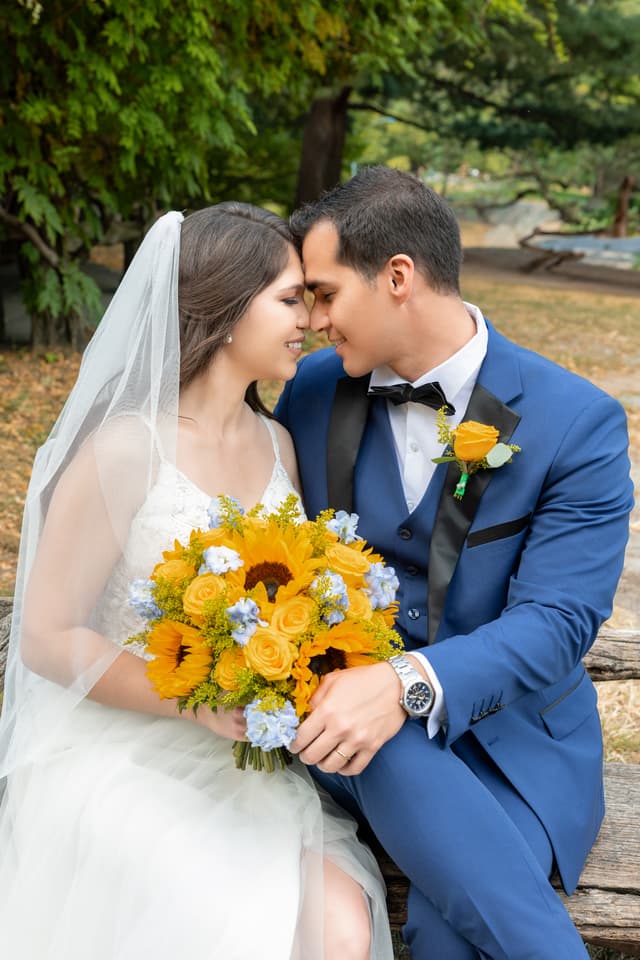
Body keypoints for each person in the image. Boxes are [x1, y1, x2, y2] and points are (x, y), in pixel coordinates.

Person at [0, 204, 394, 960]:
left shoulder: (278, 443)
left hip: (247, 764)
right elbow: (48, 639)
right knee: (234, 925)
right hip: (121, 757)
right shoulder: (123, 451)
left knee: (342, 927)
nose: (309, 322)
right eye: (288, 298)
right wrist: (193, 700)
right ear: (220, 304)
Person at [276, 165, 635, 960]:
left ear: (397, 276)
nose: (315, 321)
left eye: (327, 294)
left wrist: (404, 683)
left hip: (518, 749)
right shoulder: (305, 395)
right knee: (374, 733)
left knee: (446, 935)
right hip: (349, 742)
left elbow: (558, 624)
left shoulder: (576, 423)